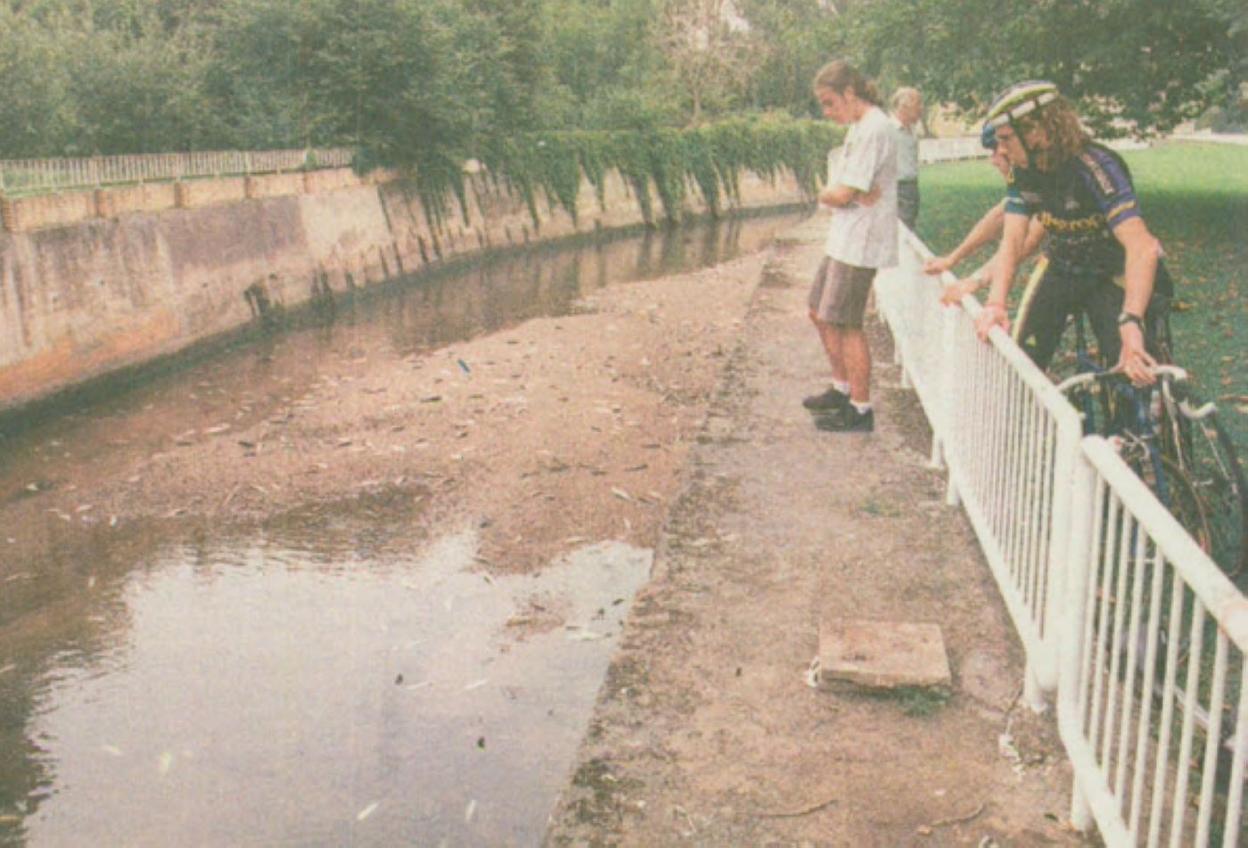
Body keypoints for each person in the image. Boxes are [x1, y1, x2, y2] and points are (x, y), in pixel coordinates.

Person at [972, 80, 1172, 386]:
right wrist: (996, 303)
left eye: (1006, 139)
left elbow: (1142, 247)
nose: (1000, 150)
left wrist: (1131, 321)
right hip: (1063, 266)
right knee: (1022, 361)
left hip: (1111, 272)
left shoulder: (1094, 165)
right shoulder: (1022, 170)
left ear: (1036, 129)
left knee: (1131, 370)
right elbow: (1012, 240)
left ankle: (1143, 423)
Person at [802, 60, 898, 433]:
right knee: (818, 310)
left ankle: (860, 408)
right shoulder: (860, 127)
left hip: (860, 241)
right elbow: (847, 190)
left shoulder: (875, 128)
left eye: (830, 102)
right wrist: (840, 193)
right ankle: (841, 388)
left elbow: (842, 193)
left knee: (846, 321)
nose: (827, 112)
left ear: (849, 94)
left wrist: (826, 193)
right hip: (845, 237)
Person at [890, 87, 923, 230]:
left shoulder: (913, 130)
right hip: (896, 188)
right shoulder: (886, 130)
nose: (921, 109)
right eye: (918, 104)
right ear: (904, 107)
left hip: (911, 187)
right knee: (901, 232)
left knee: (908, 229)